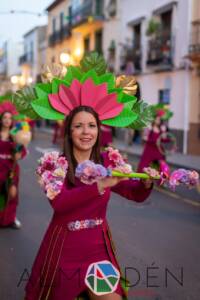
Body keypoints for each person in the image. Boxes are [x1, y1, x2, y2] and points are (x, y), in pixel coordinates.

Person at [15, 55, 155, 299]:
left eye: (91, 125)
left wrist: (145, 183)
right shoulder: (53, 164)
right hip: (63, 250)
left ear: (99, 129)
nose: (86, 131)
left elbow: (134, 193)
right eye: (78, 126)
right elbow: (60, 204)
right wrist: (99, 184)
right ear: (69, 131)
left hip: (97, 251)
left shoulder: (109, 161)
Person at [0, 101, 26, 229]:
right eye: (5, 117)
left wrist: (19, 153)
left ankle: (10, 218)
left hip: (11, 169)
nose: (7, 120)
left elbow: (22, 150)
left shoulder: (16, 134)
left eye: (10, 118)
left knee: (12, 194)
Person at [137, 104, 173, 173]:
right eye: (157, 119)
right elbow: (145, 139)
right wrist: (155, 141)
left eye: (159, 119)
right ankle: (141, 180)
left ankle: (161, 180)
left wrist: (171, 140)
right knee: (144, 166)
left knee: (162, 167)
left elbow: (163, 140)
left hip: (158, 150)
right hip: (149, 150)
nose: (158, 120)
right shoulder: (149, 128)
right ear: (154, 119)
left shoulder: (162, 129)